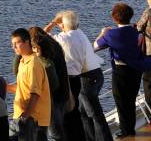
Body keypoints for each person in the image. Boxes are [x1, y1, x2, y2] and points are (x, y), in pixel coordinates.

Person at [47, 11, 111, 141]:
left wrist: (52, 23)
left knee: (93, 113)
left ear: (63, 25)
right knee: (83, 112)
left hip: (85, 78)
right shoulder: (80, 33)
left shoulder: (62, 38)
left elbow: (40, 37)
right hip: (97, 74)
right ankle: (90, 137)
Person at [95, 3, 151, 137]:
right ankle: (130, 128)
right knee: (131, 99)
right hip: (136, 69)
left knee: (121, 101)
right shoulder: (135, 31)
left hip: (120, 70)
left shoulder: (112, 34)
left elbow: (96, 46)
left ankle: (125, 130)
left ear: (115, 17)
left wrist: (102, 33)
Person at [7, 28, 51, 141]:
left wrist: (24, 117)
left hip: (33, 119)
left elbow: (35, 94)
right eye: (12, 44)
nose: (14, 47)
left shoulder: (33, 65)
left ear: (27, 42)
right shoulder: (23, 62)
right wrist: (5, 87)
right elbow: (23, 88)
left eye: (17, 43)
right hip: (23, 116)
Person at [30, 28, 72, 141]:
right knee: (58, 130)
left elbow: (52, 80)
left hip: (52, 98)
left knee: (54, 133)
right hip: (63, 94)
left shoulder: (44, 54)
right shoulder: (55, 46)